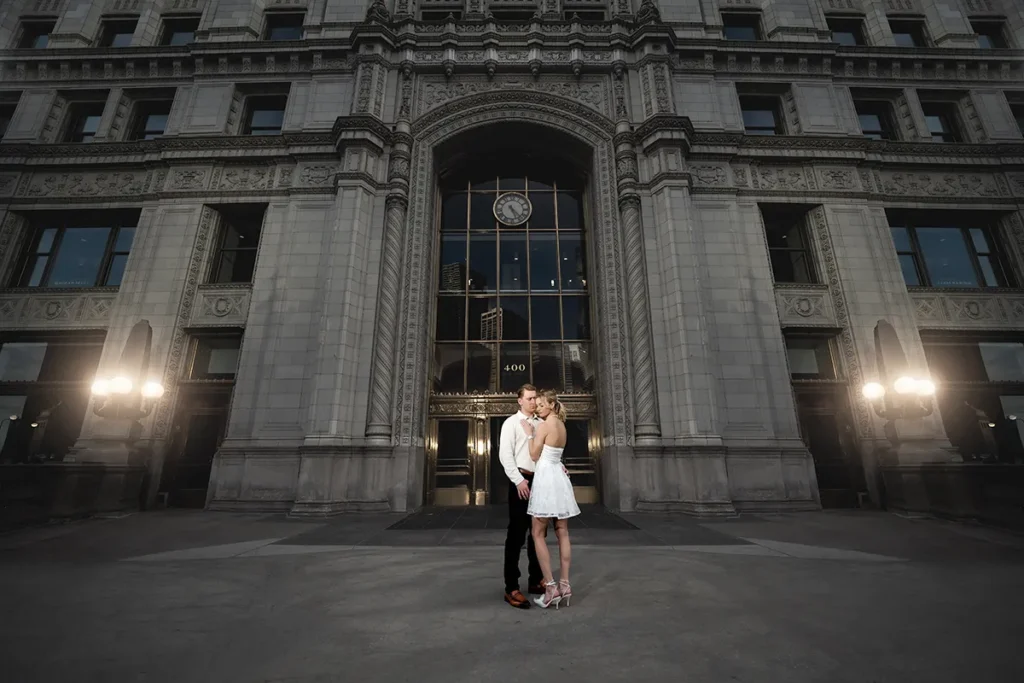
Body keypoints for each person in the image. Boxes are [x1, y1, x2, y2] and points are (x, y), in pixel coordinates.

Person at [521, 389, 580, 609]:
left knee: (537, 533)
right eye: (536, 405)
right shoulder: (562, 426)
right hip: (559, 476)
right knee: (562, 531)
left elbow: (535, 455)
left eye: (541, 405)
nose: (537, 408)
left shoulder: (545, 426)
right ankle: (565, 583)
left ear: (552, 405)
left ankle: (551, 588)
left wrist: (529, 433)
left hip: (546, 477)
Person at [498, 384, 545, 609]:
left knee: (538, 533)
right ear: (519, 400)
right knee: (516, 535)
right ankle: (511, 587)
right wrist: (518, 481)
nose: (533, 402)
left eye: (535, 398)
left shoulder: (541, 424)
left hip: (541, 481)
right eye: (529, 398)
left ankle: (535, 580)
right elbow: (505, 455)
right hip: (520, 482)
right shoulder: (511, 423)